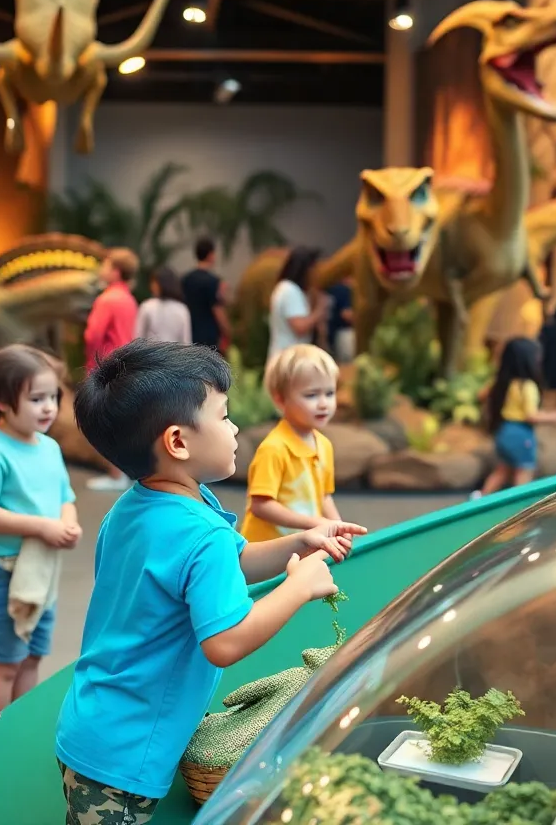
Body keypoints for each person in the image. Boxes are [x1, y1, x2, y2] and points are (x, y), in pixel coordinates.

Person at [55, 339, 366, 823]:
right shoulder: (201, 533)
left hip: (97, 721)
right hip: (125, 756)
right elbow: (224, 641)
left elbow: (229, 564)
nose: (236, 427)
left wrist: (299, 542)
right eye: (223, 416)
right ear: (178, 441)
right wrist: (299, 586)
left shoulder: (136, 508)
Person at [0, 345, 79, 712]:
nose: (48, 407)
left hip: (41, 568)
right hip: (1, 569)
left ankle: (17, 733)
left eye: (53, 397)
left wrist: (68, 522)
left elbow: (65, 495)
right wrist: (43, 527)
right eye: (35, 398)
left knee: (31, 658)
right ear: (1, 401)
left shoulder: (49, 447)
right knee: (7, 662)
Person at [240, 344, 343, 540]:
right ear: (280, 400)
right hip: (266, 552)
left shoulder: (324, 446)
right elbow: (261, 505)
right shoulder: (274, 448)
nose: (323, 403)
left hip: (299, 547)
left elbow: (324, 497)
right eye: (311, 395)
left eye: (329, 393)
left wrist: (339, 527)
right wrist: (314, 523)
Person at [84, 248, 140, 491]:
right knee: (121, 420)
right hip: (124, 363)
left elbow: (93, 334)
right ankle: (123, 472)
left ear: (116, 271)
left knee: (104, 420)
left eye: (105, 265)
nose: (101, 269)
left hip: (104, 364)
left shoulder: (106, 299)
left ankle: (115, 475)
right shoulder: (129, 299)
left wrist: (90, 361)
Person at [478, 337, 556, 495]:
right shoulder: (527, 386)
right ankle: (521, 511)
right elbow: (531, 416)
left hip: (503, 430)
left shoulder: (502, 383)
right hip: (520, 433)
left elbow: (481, 395)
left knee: (502, 470)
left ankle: (478, 499)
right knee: (524, 472)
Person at [268, 247, 329, 363]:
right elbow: (299, 326)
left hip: (289, 358)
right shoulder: (290, 290)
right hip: (289, 360)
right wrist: (319, 311)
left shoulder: (286, 288)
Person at [181, 237, 232, 352]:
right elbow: (217, 310)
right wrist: (228, 332)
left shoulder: (186, 280)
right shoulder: (212, 281)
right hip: (209, 337)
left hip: (190, 334)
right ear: (210, 255)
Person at [135, 266, 192, 344]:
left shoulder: (147, 307)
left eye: (154, 282)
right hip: (174, 354)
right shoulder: (181, 309)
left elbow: (137, 337)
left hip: (151, 354)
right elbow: (186, 342)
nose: (152, 286)